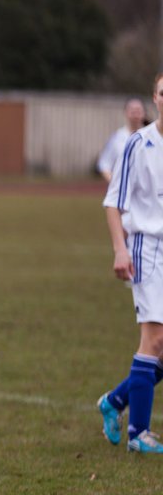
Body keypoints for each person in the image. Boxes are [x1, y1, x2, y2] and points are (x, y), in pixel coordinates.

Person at [97, 73, 163, 454]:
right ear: (155, 98)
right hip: (147, 249)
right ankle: (139, 433)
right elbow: (113, 202)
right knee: (153, 338)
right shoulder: (139, 144)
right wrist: (120, 250)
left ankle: (115, 402)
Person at [97, 97, 148, 182]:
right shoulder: (117, 137)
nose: (135, 114)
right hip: (123, 191)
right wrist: (116, 183)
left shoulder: (151, 136)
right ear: (125, 112)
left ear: (144, 113)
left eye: (138, 111)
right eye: (132, 111)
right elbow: (104, 164)